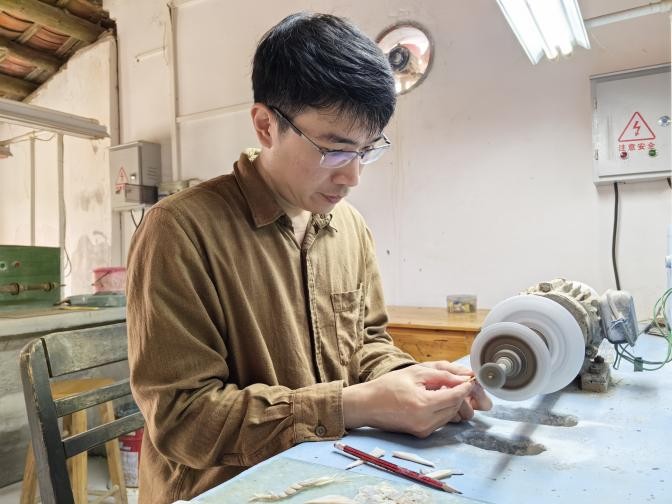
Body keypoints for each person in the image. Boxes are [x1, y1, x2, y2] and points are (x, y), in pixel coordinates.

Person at [126, 11, 491, 503]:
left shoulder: (349, 226)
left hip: (331, 473)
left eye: (366, 151)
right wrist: (352, 405)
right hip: (224, 490)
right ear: (265, 126)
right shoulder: (179, 231)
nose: (352, 176)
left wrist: (413, 382)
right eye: (334, 149)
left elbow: (366, 343)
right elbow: (183, 419)